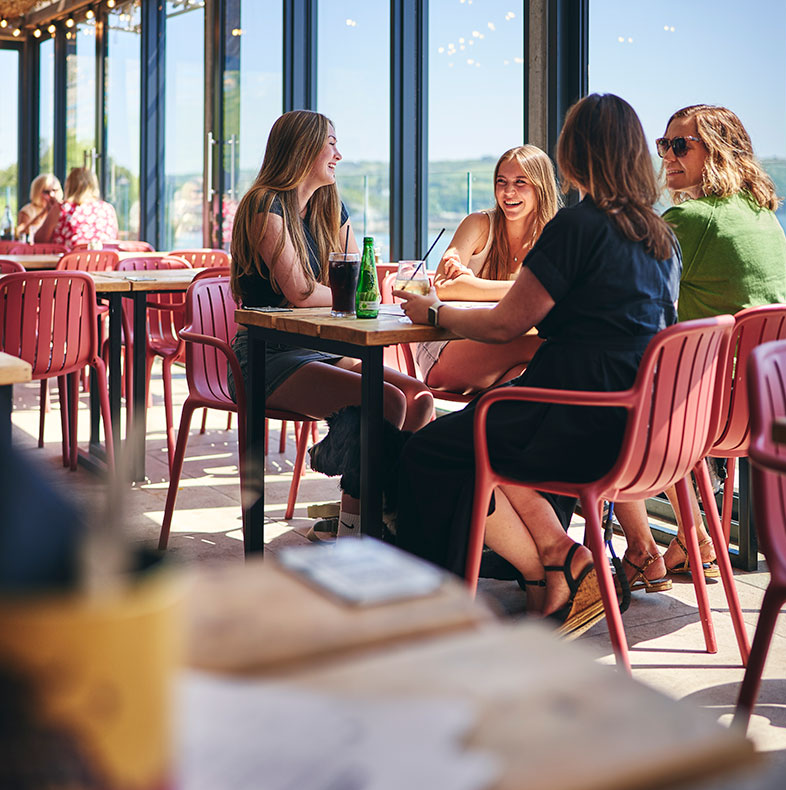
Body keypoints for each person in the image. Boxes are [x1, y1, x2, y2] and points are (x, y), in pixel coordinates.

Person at [394, 94, 681, 638]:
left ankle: (445, 609)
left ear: (571, 153)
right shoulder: (660, 236)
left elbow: (506, 324)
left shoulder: (578, 226)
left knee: (428, 452)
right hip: (640, 425)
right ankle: (558, 564)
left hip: (572, 414)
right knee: (484, 430)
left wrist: (435, 310)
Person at [229, 109, 434, 539]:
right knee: (385, 402)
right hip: (267, 355)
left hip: (320, 348)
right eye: (332, 143)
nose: (339, 154)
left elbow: (362, 285)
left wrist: (358, 296)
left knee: (419, 399)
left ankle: (393, 512)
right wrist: (355, 298)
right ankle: (356, 530)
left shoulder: (328, 205)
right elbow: (301, 293)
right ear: (304, 147)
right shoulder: (265, 203)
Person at [614, 104, 786, 591]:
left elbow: (619, 290)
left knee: (608, 391)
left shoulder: (692, 218)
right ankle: (695, 544)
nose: (667, 155)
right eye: (663, 144)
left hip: (701, 407)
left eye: (681, 145)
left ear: (718, 153)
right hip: (758, 406)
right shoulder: (766, 218)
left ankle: (641, 550)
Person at [414, 145, 558, 393]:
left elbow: (559, 295)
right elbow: (444, 288)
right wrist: (527, 289)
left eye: (520, 182)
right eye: (501, 182)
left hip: (504, 355)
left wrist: (474, 286)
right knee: (544, 345)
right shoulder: (479, 224)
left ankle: (475, 430)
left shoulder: (552, 236)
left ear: (540, 187)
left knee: (520, 384)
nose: (508, 191)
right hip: (447, 345)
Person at [34, 167, 119, 251]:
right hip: (104, 263)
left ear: (69, 185)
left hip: (68, 263)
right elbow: (115, 239)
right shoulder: (108, 209)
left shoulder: (61, 209)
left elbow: (39, 240)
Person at [16, 174, 63, 240]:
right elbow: (21, 234)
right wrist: (45, 212)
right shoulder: (27, 210)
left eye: (55, 190)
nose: (52, 195)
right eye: (46, 192)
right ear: (37, 192)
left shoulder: (64, 208)